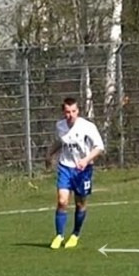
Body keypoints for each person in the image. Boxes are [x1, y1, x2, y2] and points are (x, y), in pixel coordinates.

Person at [45, 97, 105, 249]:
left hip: (83, 170)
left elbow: (99, 147)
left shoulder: (87, 127)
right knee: (62, 201)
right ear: (63, 112)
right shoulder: (60, 126)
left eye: (73, 111)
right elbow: (60, 141)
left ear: (78, 111)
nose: (70, 115)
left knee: (80, 203)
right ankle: (59, 235)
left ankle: (75, 234)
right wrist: (49, 154)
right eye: (67, 112)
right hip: (65, 167)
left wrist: (86, 160)